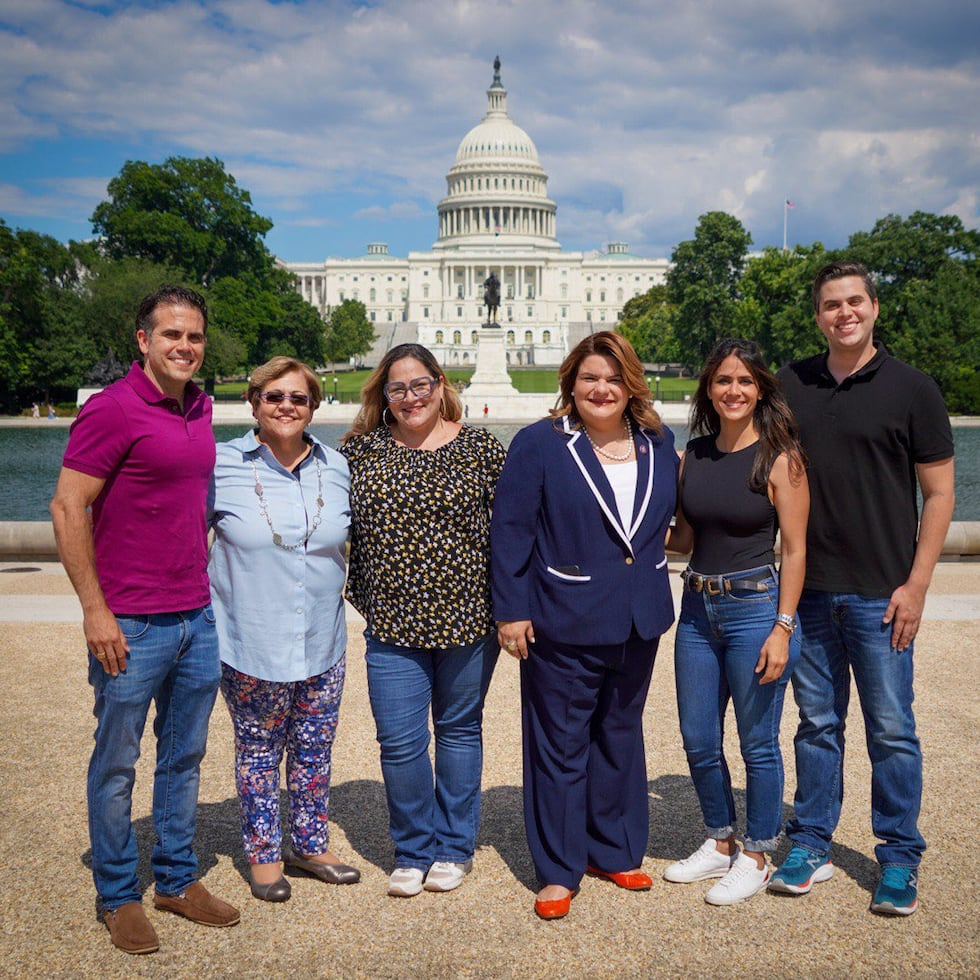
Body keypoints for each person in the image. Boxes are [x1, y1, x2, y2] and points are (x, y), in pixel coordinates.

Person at [49, 286, 239, 956]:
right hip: (130, 620)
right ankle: (118, 895)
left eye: (194, 337)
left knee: (185, 756)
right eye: (171, 336)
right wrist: (95, 611)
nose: (184, 346)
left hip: (195, 613)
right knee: (117, 762)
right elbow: (68, 508)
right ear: (143, 341)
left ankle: (177, 879)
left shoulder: (200, 406)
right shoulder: (112, 410)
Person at [771, 261, 955, 916]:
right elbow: (746, 452)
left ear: (875, 308)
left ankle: (900, 854)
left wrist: (918, 584)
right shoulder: (792, 383)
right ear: (818, 315)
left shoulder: (913, 388)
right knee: (817, 725)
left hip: (884, 592)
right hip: (813, 589)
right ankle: (812, 840)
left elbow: (938, 494)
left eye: (854, 302)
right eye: (830, 304)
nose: (843, 313)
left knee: (892, 729)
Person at [491, 331, 678, 920]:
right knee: (560, 746)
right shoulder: (539, 444)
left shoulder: (657, 441)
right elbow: (511, 531)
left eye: (613, 378)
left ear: (631, 385)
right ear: (571, 382)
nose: (602, 388)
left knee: (620, 736)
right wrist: (511, 611)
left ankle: (614, 848)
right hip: (562, 617)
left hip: (638, 617)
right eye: (590, 377)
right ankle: (557, 868)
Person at [340, 343, 505, 898]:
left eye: (420, 385)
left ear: (440, 384)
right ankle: (413, 846)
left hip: (468, 618)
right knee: (399, 741)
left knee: (459, 732)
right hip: (391, 619)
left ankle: (454, 847)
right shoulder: (360, 453)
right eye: (397, 388)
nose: (410, 397)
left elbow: (513, 532)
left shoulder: (481, 447)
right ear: (382, 395)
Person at [208, 357, 360, 904]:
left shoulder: (338, 467)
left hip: (322, 638)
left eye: (298, 398)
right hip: (251, 640)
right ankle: (264, 853)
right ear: (253, 402)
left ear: (313, 407)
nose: (286, 406)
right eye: (274, 396)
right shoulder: (220, 463)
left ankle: (310, 842)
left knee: (315, 749)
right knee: (257, 752)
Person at [662, 338, 809, 905]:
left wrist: (783, 626)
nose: (733, 390)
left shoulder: (781, 457)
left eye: (744, 381)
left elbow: (795, 550)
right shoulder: (691, 456)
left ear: (760, 389)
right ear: (709, 389)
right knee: (698, 738)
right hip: (696, 607)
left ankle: (757, 853)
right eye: (723, 380)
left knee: (757, 743)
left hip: (755, 608)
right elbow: (684, 539)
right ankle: (721, 840)